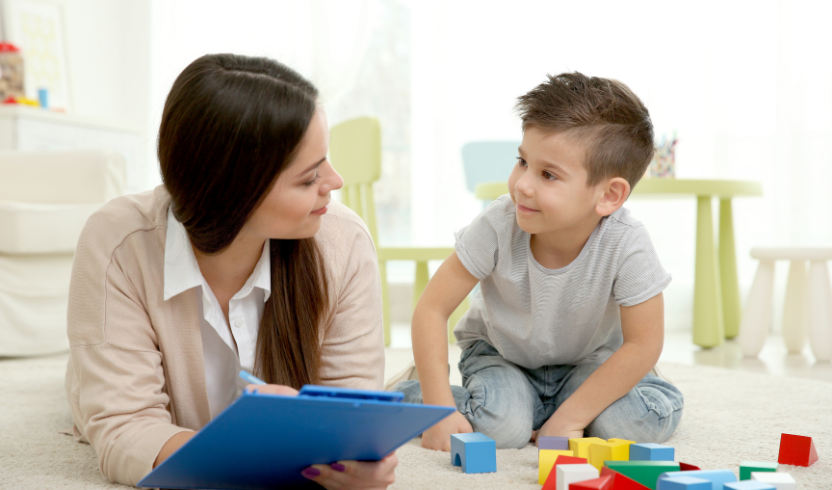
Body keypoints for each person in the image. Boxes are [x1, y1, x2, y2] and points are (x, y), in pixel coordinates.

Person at [65, 54, 396, 489]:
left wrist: (354, 459)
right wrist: (251, 449)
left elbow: (355, 411)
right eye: (308, 177)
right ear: (235, 192)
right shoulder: (119, 244)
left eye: (325, 162)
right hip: (105, 382)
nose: (334, 181)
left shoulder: (343, 243)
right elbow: (125, 430)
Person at [392, 72, 684, 451]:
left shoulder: (628, 243)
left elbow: (643, 343)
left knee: (633, 426)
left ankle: (575, 404)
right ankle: (409, 394)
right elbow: (432, 308)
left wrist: (570, 418)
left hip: (589, 361)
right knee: (502, 430)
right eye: (522, 161)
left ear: (609, 195)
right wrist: (438, 409)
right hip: (503, 356)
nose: (522, 185)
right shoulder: (498, 223)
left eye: (548, 174)